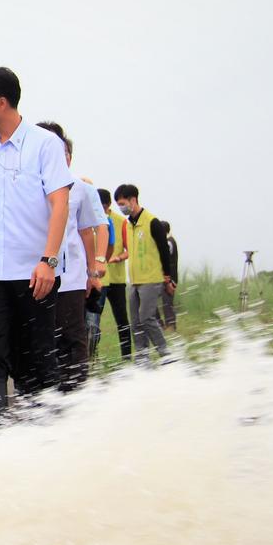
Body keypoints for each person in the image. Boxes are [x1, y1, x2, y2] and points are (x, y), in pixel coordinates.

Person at [0, 67, 72, 412]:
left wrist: (48, 261)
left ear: (1, 103)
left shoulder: (45, 145)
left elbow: (59, 203)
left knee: (35, 355)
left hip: (34, 270)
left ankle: (43, 430)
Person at [36, 122, 107, 391]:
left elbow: (87, 231)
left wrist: (93, 271)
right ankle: (47, 391)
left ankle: (77, 390)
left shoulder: (80, 188)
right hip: (35, 273)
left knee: (72, 334)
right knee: (43, 336)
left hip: (71, 276)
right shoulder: (28, 182)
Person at [114, 184, 174, 362]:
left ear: (133, 200)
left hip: (151, 278)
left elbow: (164, 251)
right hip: (134, 280)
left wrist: (167, 277)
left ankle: (166, 355)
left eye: (123, 203)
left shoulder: (152, 222)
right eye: (119, 204)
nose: (122, 207)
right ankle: (142, 357)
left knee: (147, 317)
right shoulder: (129, 224)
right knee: (136, 321)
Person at [101, 187, 131, 359]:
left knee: (122, 320)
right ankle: (91, 357)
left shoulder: (121, 222)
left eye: (104, 206)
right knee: (93, 321)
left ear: (108, 205)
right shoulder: (90, 220)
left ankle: (126, 356)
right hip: (100, 279)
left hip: (117, 279)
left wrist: (118, 258)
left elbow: (128, 250)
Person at [159, 220, 178, 331]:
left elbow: (163, 258)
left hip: (169, 279)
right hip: (168, 278)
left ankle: (170, 326)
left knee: (167, 303)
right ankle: (166, 325)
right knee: (166, 303)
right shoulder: (169, 241)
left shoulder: (168, 243)